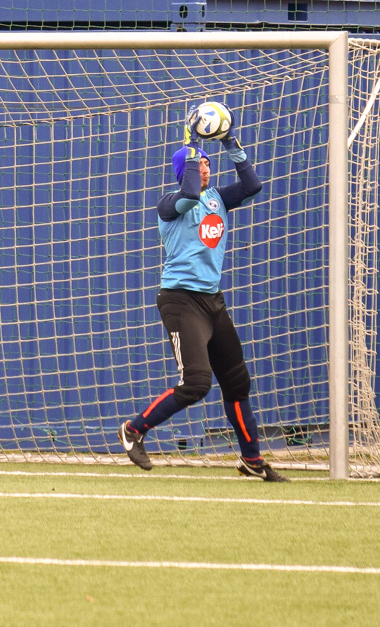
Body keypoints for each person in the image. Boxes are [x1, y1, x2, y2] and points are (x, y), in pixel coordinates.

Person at [118, 113, 287, 481]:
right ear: (185, 170)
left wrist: (230, 143)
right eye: (200, 164)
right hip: (181, 302)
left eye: (209, 163)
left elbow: (252, 185)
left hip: (212, 302)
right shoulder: (171, 203)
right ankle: (133, 430)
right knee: (196, 383)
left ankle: (252, 460)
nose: (206, 168)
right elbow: (191, 192)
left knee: (238, 384)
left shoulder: (218, 199)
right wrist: (192, 144)